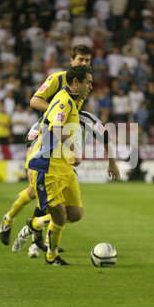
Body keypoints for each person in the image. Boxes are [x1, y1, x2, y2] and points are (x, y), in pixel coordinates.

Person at [0, 45, 120, 251]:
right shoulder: (58, 80)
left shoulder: (83, 86)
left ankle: (41, 238)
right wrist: (57, 112)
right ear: (71, 61)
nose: (84, 64)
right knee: (35, 191)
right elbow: (35, 101)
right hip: (42, 137)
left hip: (63, 141)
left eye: (87, 61)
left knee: (63, 204)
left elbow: (101, 130)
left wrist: (111, 160)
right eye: (80, 60)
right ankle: (9, 220)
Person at [24, 65, 93, 266]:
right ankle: (52, 256)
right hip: (49, 167)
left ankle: (36, 223)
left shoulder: (74, 101)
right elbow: (55, 128)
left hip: (65, 167)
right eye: (87, 82)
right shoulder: (63, 101)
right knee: (60, 215)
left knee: (75, 214)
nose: (90, 87)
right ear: (75, 83)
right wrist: (74, 150)